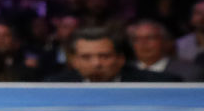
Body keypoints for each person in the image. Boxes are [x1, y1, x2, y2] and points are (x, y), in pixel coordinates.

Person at [46, 27, 175, 83]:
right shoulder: (54, 86)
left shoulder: (158, 84)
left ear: (120, 59)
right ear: (74, 61)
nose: (96, 63)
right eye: (86, 57)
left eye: (104, 56)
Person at [127, 18, 196, 80]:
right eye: (137, 39)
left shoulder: (189, 72)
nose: (143, 43)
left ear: (165, 41)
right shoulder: (121, 70)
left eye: (150, 38)